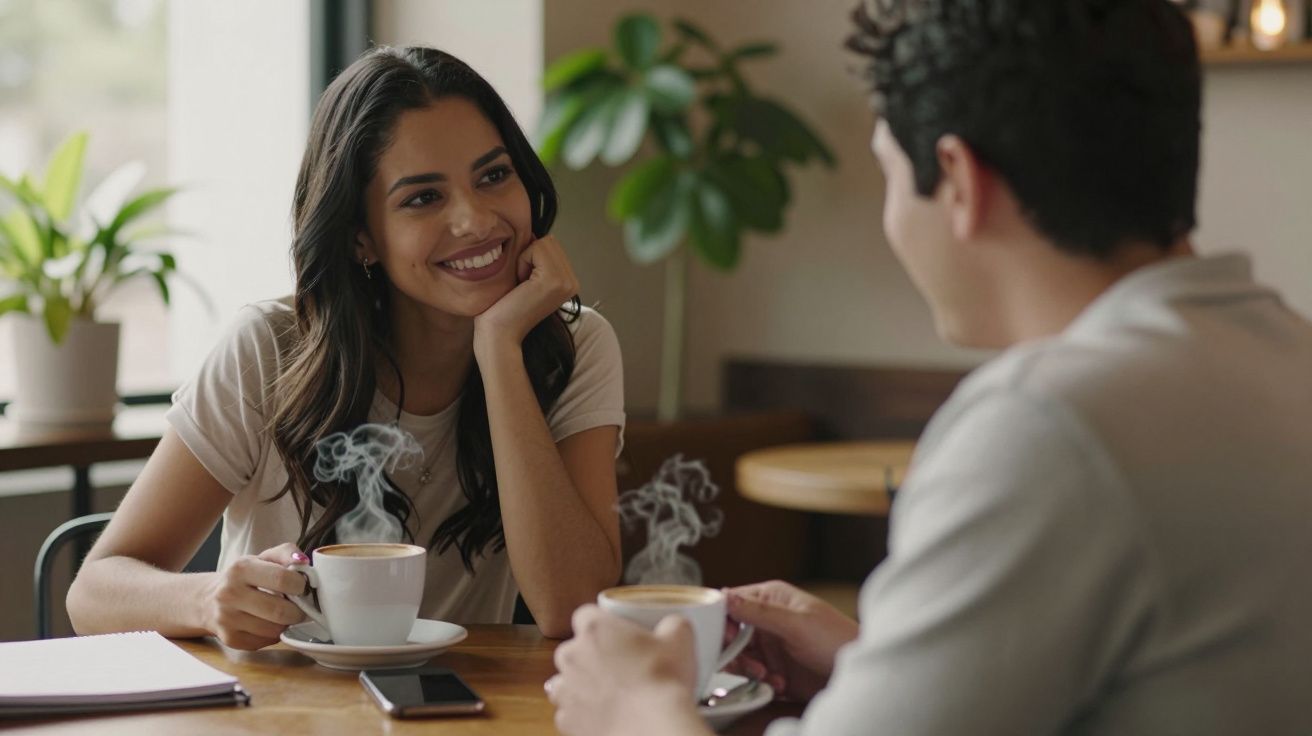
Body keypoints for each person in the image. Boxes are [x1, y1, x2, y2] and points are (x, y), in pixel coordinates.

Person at [546, 0, 1312, 733]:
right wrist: (877, 669)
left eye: (886, 172)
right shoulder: (1283, 357)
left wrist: (635, 711)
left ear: (957, 179)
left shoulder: (1047, 423)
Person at [67, 46, 625, 646]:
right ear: (361, 238)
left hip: (464, 712)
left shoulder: (575, 347)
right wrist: (206, 599)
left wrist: (498, 350)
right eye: (423, 198)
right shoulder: (268, 348)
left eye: (494, 175)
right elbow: (93, 594)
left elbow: (574, 609)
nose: (475, 219)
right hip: (277, 710)